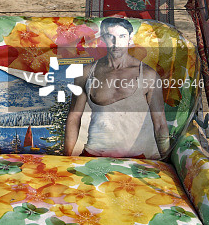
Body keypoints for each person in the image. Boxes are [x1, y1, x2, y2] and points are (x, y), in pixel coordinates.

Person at [64, 16, 170, 159]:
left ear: (130, 39)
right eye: (110, 36)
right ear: (102, 39)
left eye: (122, 36)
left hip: (134, 159)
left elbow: (160, 124)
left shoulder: (148, 74)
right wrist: (67, 158)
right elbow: (74, 117)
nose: (116, 43)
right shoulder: (86, 72)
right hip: (93, 156)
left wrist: (167, 161)